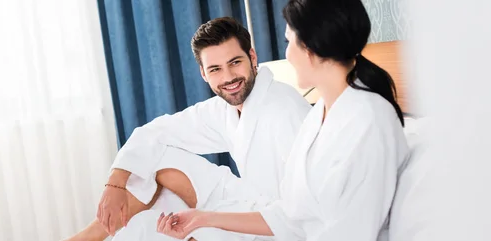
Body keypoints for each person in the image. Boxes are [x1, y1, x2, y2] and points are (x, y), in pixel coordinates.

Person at [156, 0, 409, 240]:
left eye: (289, 41)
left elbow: (352, 232)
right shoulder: (321, 115)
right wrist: (203, 219)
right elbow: (291, 217)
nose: (287, 54)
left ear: (311, 48)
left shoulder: (369, 123)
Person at [64, 17, 312, 241]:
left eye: (235, 62)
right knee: (157, 159)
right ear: (204, 73)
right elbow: (155, 133)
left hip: (278, 228)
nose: (228, 78)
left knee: (152, 224)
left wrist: (205, 220)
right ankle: (86, 238)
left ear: (252, 57)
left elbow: (306, 211)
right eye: (215, 69)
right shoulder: (224, 110)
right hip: (247, 203)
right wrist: (114, 184)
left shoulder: (285, 110)